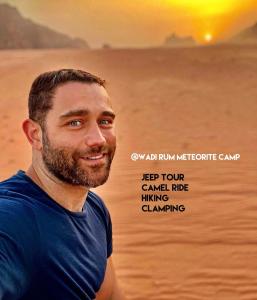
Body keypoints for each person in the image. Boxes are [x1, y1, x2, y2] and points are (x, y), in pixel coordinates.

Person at [0, 69, 125, 300]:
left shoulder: (94, 208)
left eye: (105, 121)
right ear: (35, 135)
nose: (98, 139)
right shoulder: (11, 220)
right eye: (75, 122)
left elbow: (108, 295)